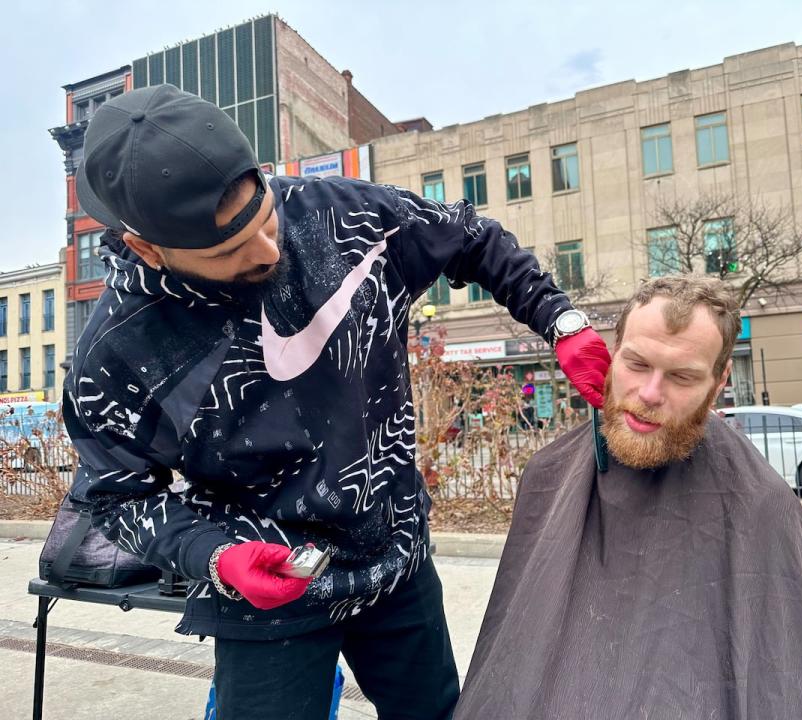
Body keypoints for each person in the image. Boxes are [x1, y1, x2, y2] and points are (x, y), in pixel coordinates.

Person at [61, 84, 611, 720]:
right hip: (267, 582)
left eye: (267, 220)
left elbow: (469, 236)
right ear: (148, 249)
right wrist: (212, 554)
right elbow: (116, 494)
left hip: (393, 552)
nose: (268, 252)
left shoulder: (339, 214)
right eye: (230, 252)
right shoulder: (118, 350)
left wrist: (559, 320)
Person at [454, 276, 802, 720]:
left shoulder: (761, 502)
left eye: (682, 376)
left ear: (719, 380)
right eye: (636, 364)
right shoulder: (548, 476)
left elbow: (778, 684)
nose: (649, 394)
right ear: (613, 351)